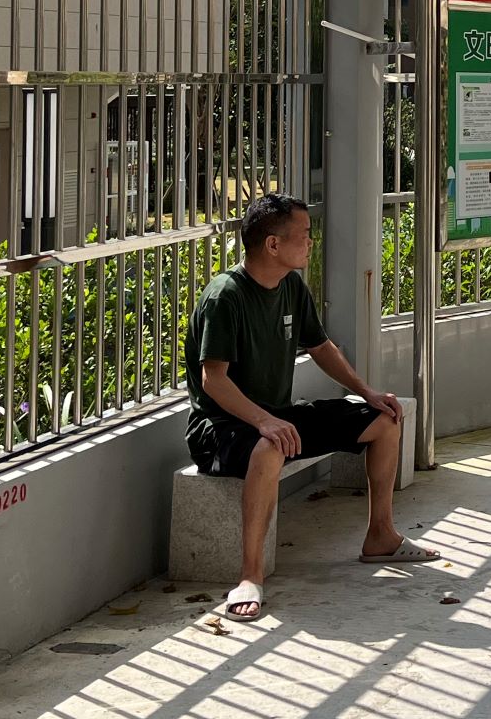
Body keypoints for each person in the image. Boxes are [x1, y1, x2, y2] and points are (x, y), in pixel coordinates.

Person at [184, 193, 431, 618]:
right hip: (220, 428)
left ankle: (381, 535)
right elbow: (214, 380)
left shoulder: (291, 286)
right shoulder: (226, 296)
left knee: (384, 420)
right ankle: (250, 575)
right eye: (304, 234)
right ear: (273, 244)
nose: (311, 242)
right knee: (270, 447)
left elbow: (320, 347)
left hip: (275, 417)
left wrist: (367, 392)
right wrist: (264, 422)